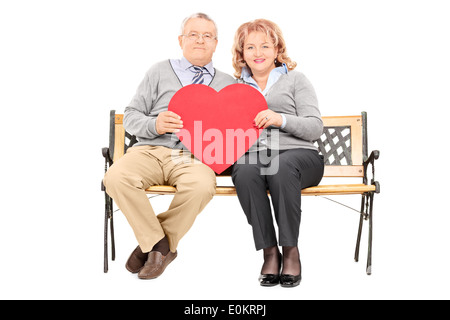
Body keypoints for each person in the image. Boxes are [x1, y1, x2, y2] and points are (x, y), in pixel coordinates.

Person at [103, 13, 234, 280]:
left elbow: (232, 132)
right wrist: (155, 124)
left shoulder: (228, 84)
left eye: (207, 36)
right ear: (181, 40)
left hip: (192, 157)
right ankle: (162, 246)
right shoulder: (159, 71)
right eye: (193, 34)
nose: (200, 40)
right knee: (115, 177)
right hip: (149, 150)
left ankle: (149, 245)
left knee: (202, 185)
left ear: (216, 43)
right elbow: (131, 116)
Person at [231, 19, 324, 287]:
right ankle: (269, 252)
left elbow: (315, 127)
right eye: (250, 47)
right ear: (242, 53)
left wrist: (280, 119)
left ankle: (290, 250)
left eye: (264, 46)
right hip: (258, 157)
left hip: (301, 156)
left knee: (281, 165)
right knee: (246, 169)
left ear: (277, 49)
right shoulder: (236, 88)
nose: (258, 53)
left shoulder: (296, 80)